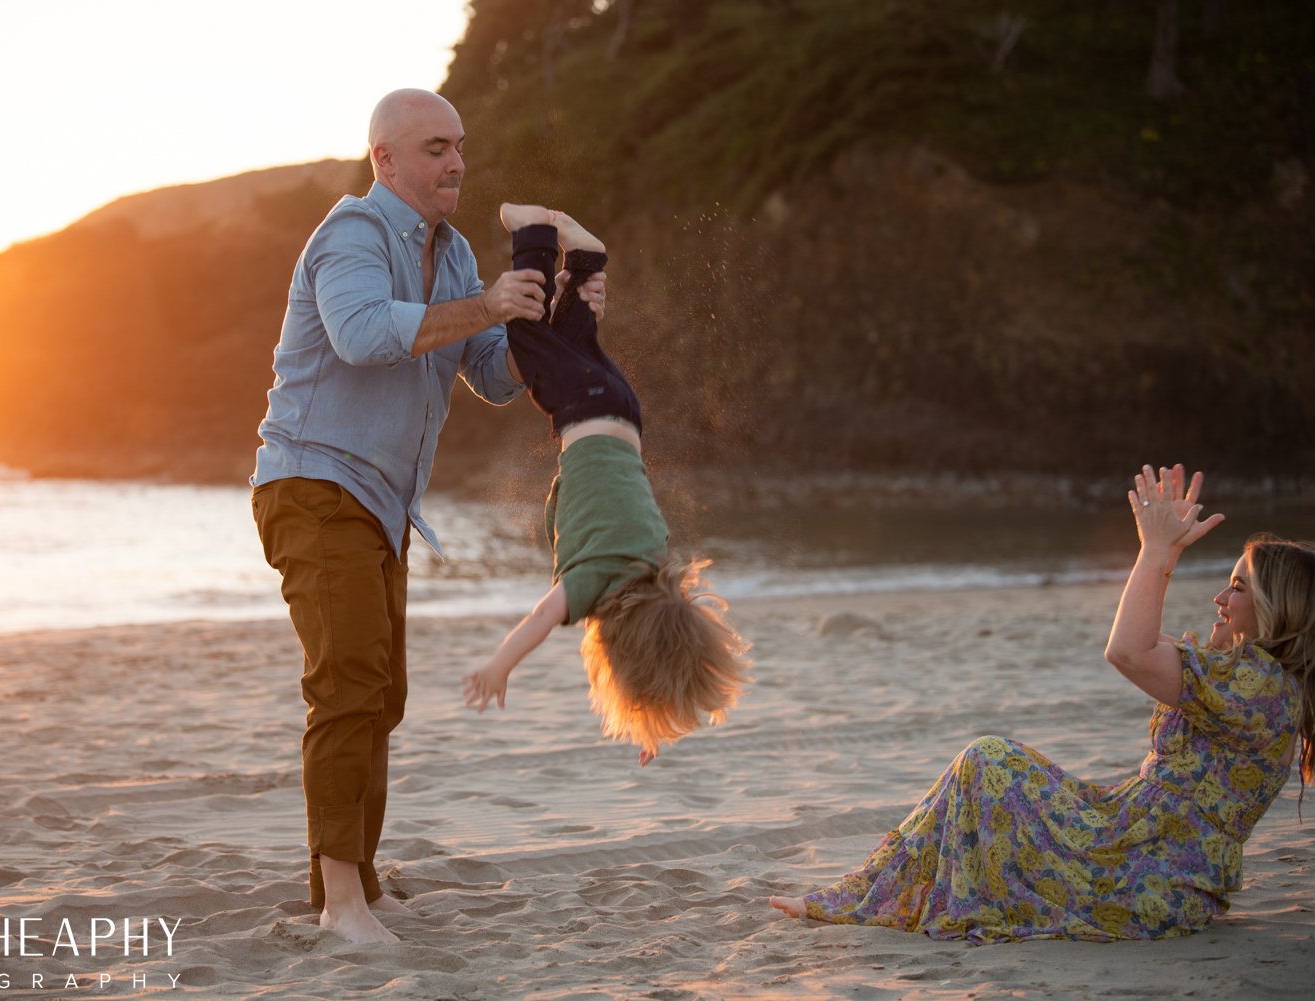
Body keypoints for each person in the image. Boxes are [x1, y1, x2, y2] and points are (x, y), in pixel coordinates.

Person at [250, 90, 605, 945]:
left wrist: (554, 325)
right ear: (387, 161)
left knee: (380, 695)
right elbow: (364, 334)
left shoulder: (449, 258)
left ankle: (354, 881)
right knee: (347, 685)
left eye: (459, 147)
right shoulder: (351, 236)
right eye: (436, 148)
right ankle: (341, 905)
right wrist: (490, 304)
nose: (456, 164)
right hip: (311, 482)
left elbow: (490, 371)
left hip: (379, 502)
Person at [770, 464, 1315, 942]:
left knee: (988, 761)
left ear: (1277, 606)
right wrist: (1164, 556)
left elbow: (1127, 650)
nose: (1220, 599)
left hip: (1147, 874)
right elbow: (1142, 639)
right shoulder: (1249, 682)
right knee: (984, 764)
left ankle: (859, 900)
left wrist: (1154, 551)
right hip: (1142, 852)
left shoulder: (1256, 687)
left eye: (1238, 588)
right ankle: (863, 896)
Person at [461, 204, 751, 767]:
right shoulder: (593, 581)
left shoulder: (657, 564)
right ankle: (534, 237)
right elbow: (540, 621)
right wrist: (500, 665)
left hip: (620, 408)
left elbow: (673, 648)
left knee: (575, 334)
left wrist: (652, 730)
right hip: (578, 408)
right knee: (526, 336)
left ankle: (588, 259)